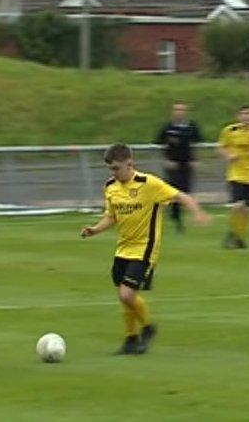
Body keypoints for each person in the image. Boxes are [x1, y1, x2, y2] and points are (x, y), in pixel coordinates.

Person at [80, 144, 211, 355]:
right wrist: (94, 230)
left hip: (144, 249)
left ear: (129, 164)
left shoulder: (149, 184)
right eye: (110, 169)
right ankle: (131, 340)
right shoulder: (110, 187)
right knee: (124, 297)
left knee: (126, 294)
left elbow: (181, 196)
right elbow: (111, 216)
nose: (113, 173)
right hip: (123, 249)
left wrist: (198, 213)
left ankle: (148, 328)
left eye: (116, 168)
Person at [217, 105, 249, 249]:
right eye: (243, 114)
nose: (246, 117)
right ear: (238, 116)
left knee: (247, 210)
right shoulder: (230, 130)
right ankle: (232, 233)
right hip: (235, 174)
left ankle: (240, 236)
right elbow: (222, 146)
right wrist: (229, 156)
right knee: (237, 205)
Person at [154, 101, 202, 233]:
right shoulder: (167, 127)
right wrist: (165, 160)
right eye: (177, 109)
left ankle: (182, 215)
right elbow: (160, 144)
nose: (179, 112)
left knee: (186, 191)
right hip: (172, 165)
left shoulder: (191, 127)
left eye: (182, 110)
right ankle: (177, 220)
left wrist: (195, 160)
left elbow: (196, 145)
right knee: (174, 192)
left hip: (187, 164)